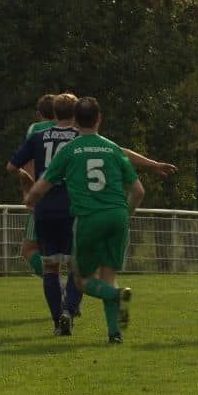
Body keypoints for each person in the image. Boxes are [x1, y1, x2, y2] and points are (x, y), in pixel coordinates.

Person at [25, 97, 144, 343]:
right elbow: (139, 191)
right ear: (99, 119)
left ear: (76, 122)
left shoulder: (70, 149)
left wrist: (30, 199)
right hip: (117, 214)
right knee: (108, 273)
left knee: (81, 280)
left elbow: (43, 184)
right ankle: (114, 333)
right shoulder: (113, 149)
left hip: (89, 218)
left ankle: (116, 295)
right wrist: (126, 215)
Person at [8, 92, 83, 334]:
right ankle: (69, 312)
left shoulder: (38, 137)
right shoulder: (81, 137)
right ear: (75, 113)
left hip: (45, 207)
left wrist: (28, 182)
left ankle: (56, 321)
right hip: (74, 206)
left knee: (50, 266)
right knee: (77, 265)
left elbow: (11, 166)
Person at [8, 93, 56, 278]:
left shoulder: (36, 129)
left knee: (29, 248)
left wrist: (28, 191)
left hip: (43, 195)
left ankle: (57, 286)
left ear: (39, 114)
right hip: (70, 196)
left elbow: (26, 164)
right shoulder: (71, 129)